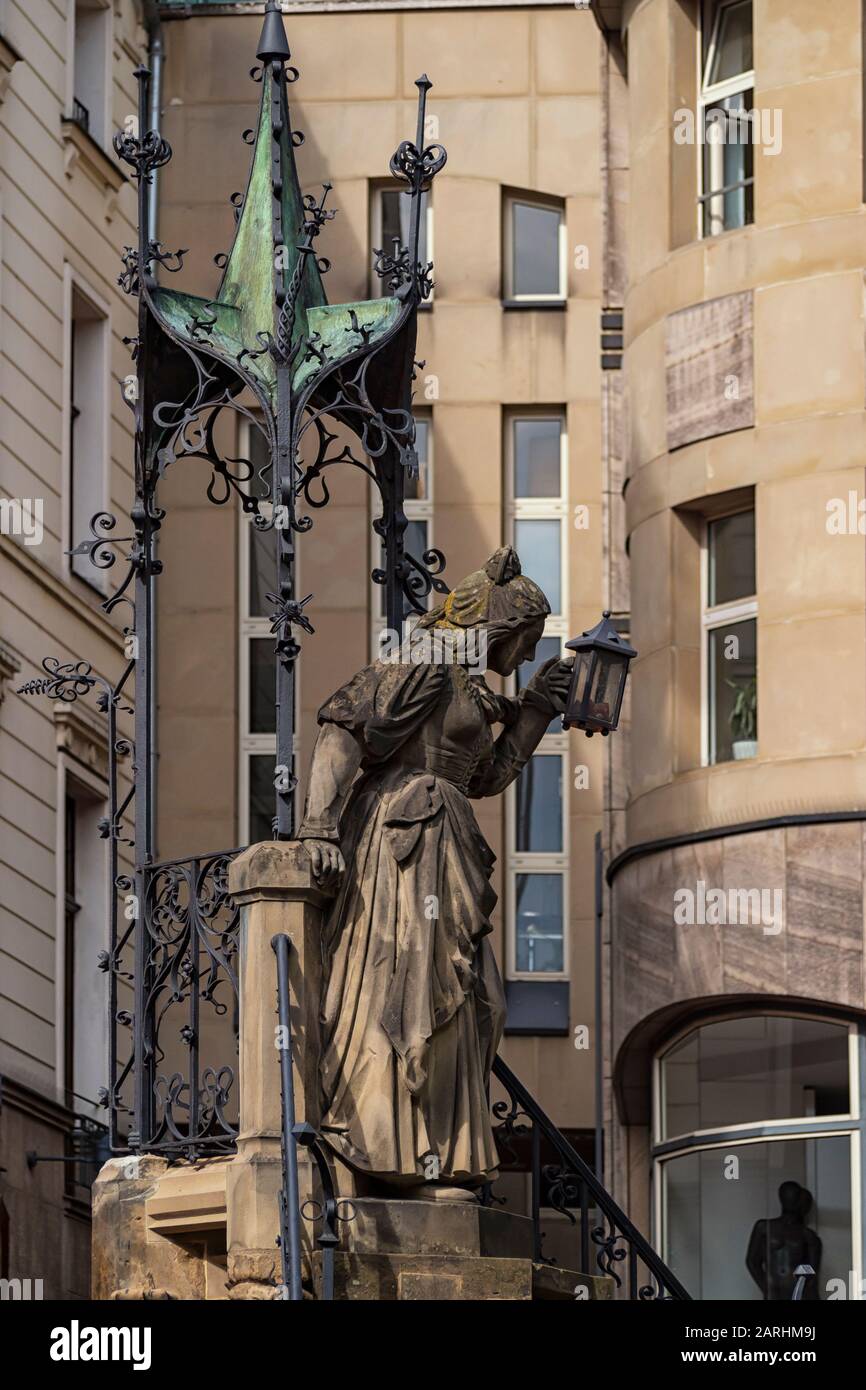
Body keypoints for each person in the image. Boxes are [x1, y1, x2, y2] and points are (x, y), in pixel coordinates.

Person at [297, 546, 572, 1193]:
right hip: (405, 837)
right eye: (526, 641)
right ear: (501, 624)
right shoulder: (429, 658)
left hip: (448, 838)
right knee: (413, 994)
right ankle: (389, 1151)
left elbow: (486, 774)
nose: (527, 656)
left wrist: (534, 712)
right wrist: (315, 827)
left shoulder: (469, 682)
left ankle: (442, 1157)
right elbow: (346, 726)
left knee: (478, 1004)